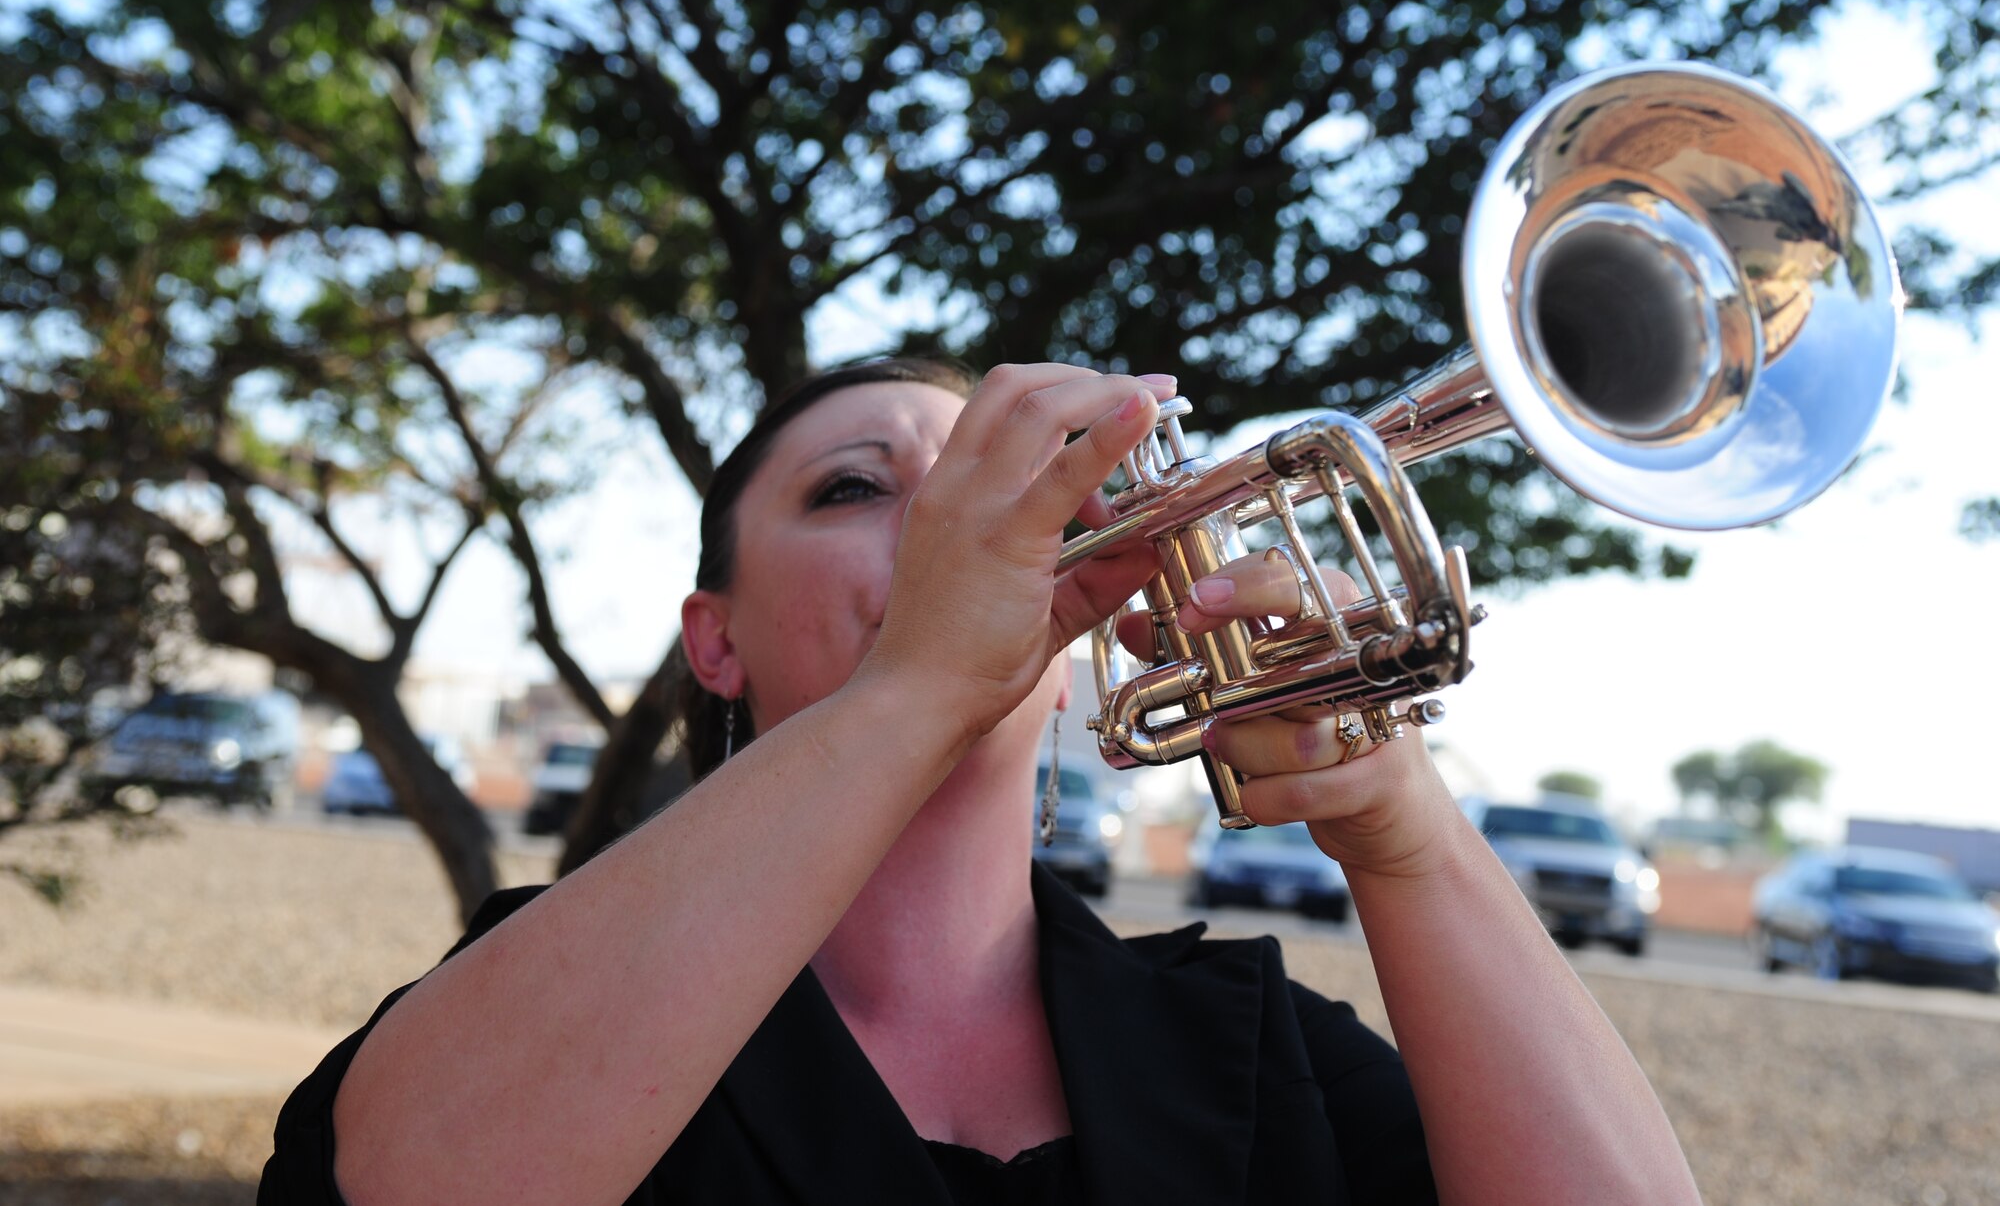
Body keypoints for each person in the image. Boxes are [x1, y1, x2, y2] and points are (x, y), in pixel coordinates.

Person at [261, 358, 1701, 1205]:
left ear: (1078, 651)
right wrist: (921, 682)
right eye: (857, 488)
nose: (964, 527)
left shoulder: (1267, 1054)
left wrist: (1403, 832)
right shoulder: (542, 987)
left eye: (989, 487)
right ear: (716, 641)